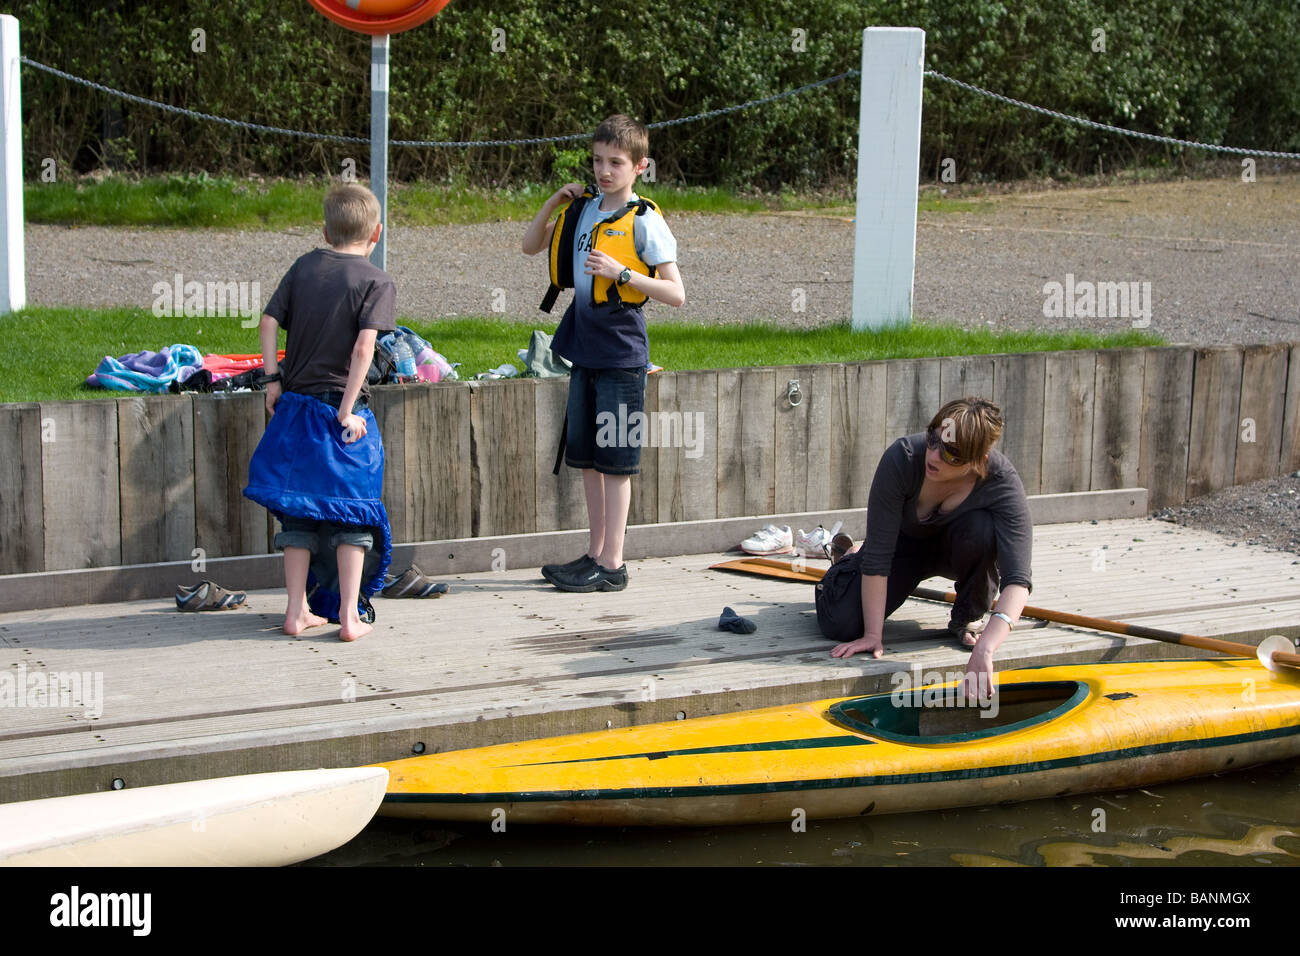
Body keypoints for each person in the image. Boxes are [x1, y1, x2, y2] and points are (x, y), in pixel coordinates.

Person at [521, 114, 685, 592]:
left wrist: (622, 274)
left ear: (640, 166)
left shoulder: (646, 220)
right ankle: (593, 552)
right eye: (597, 160)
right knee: (587, 459)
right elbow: (531, 247)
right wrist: (554, 202)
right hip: (583, 350)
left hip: (622, 353)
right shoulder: (585, 210)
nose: (604, 170)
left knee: (616, 461)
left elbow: (676, 294)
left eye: (616, 162)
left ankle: (613, 564)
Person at [243, 184, 396, 642]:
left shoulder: (304, 266)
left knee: (298, 514)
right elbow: (364, 348)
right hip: (339, 412)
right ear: (377, 232)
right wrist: (348, 411)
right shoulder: (376, 280)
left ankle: (296, 612)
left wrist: (273, 381)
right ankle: (348, 618)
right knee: (353, 513)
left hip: (295, 409)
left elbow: (268, 323)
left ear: (325, 230)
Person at [823, 397, 1032, 697]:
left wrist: (987, 648)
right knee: (840, 625)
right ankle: (846, 559)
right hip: (899, 550)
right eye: (933, 439)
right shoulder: (903, 458)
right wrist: (872, 635)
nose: (934, 456)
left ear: (979, 460)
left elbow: (1019, 580)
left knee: (983, 531)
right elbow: (880, 558)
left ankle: (968, 616)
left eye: (951, 454)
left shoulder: (1001, 481)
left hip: (959, 549)